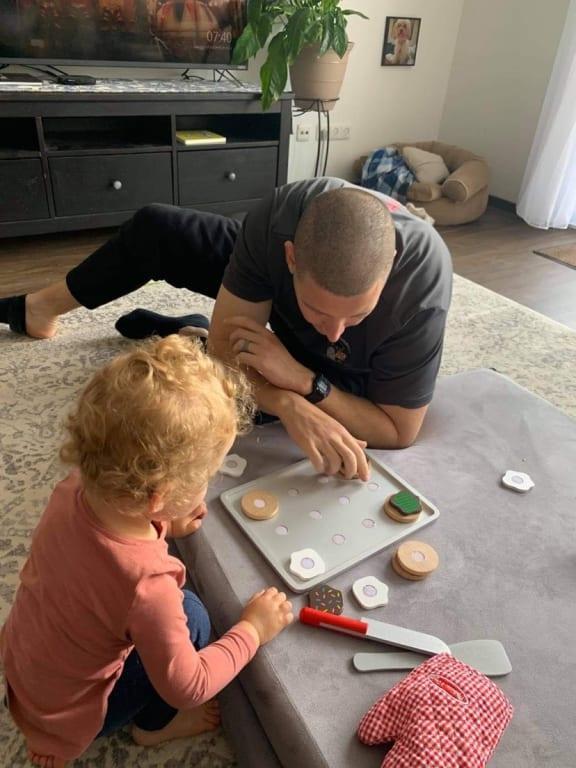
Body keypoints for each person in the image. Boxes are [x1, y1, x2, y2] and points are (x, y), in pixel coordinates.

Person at [0, 177, 453, 480]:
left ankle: (188, 335)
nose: (335, 331)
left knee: (222, 411)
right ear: (291, 258)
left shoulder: (420, 290)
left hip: (339, 374)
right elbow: (227, 353)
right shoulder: (275, 222)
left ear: (388, 272)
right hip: (276, 295)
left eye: (355, 317)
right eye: (318, 310)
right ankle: (39, 309)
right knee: (158, 227)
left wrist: (306, 385)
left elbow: (398, 431)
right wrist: (284, 399)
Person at [0, 335, 293, 768]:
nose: (207, 487)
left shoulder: (74, 488)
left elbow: (103, 552)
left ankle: (51, 725)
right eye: (206, 476)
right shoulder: (148, 582)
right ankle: (154, 728)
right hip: (76, 716)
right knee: (192, 614)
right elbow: (187, 686)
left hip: (24, 679)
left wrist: (165, 524)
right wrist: (252, 630)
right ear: (159, 495)